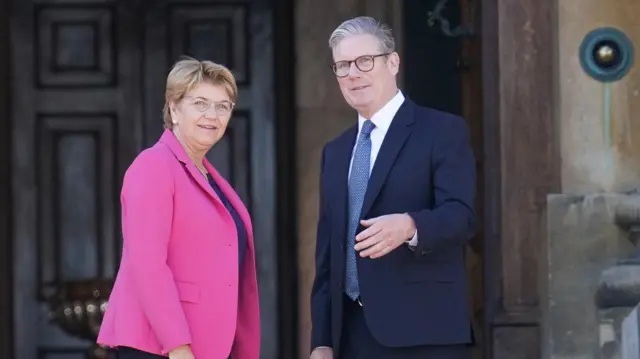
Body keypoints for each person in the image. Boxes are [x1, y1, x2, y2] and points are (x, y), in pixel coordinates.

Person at [309, 16, 476, 359]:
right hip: (351, 338)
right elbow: (328, 256)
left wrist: (411, 226)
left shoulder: (442, 131)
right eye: (342, 66)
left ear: (393, 62)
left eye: (364, 61)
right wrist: (322, 341)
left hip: (424, 334)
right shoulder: (336, 152)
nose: (353, 73)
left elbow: (462, 216)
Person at [97, 57, 260, 359]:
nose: (212, 115)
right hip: (161, 346)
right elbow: (147, 264)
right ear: (174, 108)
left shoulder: (209, 176)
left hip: (206, 343)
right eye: (200, 103)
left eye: (223, 106)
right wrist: (177, 346)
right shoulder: (154, 166)